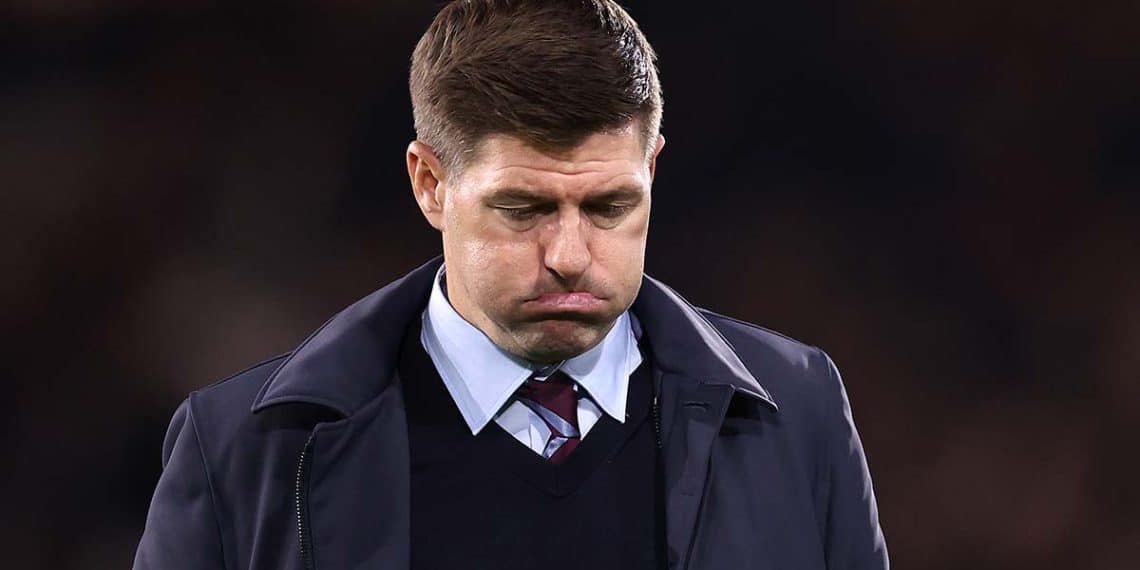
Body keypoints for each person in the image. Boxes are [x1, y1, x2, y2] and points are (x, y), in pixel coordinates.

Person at [133, 1, 888, 568]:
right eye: (523, 208)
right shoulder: (243, 449)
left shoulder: (802, 411)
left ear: (652, 169)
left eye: (609, 206)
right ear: (430, 183)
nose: (568, 253)